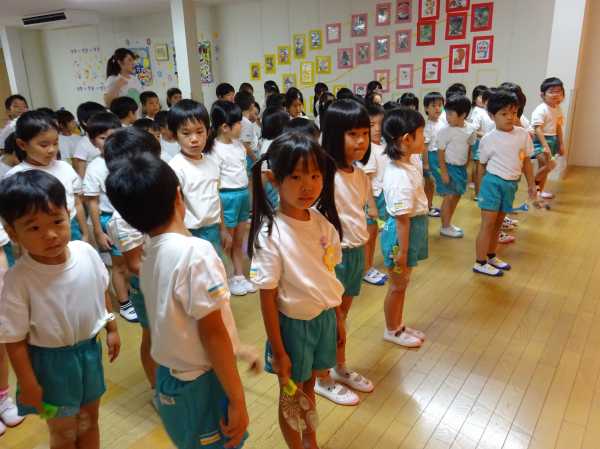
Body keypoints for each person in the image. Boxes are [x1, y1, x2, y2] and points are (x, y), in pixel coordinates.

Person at [106, 152, 249, 449]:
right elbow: (212, 333)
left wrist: (238, 348)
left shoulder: (148, 256)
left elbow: (181, 323)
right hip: (202, 385)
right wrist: (237, 398)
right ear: (178, 196)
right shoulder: (195, 253)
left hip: (170, 380)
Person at [0, 170, 120, 449]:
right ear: (12, 233)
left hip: (89, 353)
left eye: (57, 221)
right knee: (63, 431)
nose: (51, 234)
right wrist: (29, 384)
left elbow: (101, 289)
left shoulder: (85, 252)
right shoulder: (19, 280)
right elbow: (14, 340)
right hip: (49, 366)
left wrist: (112, 327)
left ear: (68, 214)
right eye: (34, 228)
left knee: (90, 420)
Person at [248, 132, 345, 449]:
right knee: (291, 395)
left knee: (309, 385)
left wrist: (338, 318)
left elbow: (329, 275)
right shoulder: (271, 234)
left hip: (322, 320)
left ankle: (309, 441)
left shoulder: (322, 223)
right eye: (296, 177)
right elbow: (267, 297)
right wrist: (278, 351)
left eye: (315, 176)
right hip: (292, 327)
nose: (308, 186)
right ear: (274, 180)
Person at [315, 99, 375, 406]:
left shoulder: (359, 173)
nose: (361, 141)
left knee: (343, 317)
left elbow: (359, 213)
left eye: (365, 133)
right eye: (352, 134)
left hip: (354, 253)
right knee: (331, 320)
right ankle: (322, 377)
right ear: (334, 134)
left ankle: (339, 366)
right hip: (331, 259)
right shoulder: (323, 174)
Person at [104, 127, 161, 402]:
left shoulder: (154, 197)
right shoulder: (122, 218)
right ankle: (156, 389)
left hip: (163, 278)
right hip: (148, 285)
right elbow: (136, 265)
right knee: (152, 336)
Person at [82, 112, 138, 323]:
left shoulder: (128, 159)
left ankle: (135, 294)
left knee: (135, 260)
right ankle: (124, 303)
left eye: (113, 136)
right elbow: (92, 202)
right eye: (102, 138)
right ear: (93, 141)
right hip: (110, 220)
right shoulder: (95, 167)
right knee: (119, 265)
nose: (109, 141)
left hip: (131, 217)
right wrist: (98, 231)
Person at [474, 89, 536, 276]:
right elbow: (481, 166)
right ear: (492, 116)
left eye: (514, 113)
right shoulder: (488, 139)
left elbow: (526, 162)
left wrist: (531, 185)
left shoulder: (523, 134)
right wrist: (479, 190)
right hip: (492, 184)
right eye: (504, 114)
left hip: (511, 184)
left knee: (499, 223)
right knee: (488, 224)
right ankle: (480, 262)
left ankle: (491, 256)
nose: (510, 117)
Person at [380, 107, 428, 348]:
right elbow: (401, 220)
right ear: (407, 139)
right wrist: (403, 251)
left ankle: (398, 324)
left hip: (410, 229)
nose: (425, 138)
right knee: (398, 285)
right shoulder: (398, 175)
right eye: (422, 133)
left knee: (403, 284)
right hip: (401, 235)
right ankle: (392, 330)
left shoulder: (410, 162)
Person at [5, 111, 89, 242]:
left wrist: (85, 233)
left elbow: (77, 203)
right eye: (44, 145)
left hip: (71, 226)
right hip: (39, 232)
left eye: (55, 143)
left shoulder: (65, 167)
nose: (52, 150)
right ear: (22, 144)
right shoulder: (15, 176)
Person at [167, 99, 230, 258]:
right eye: (186, 133)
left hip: (213, 229)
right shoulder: (175, 167)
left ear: (208, 132)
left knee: (214, 268)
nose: (194, 139)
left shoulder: (212, 163)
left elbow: (216, 197)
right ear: (175, 135)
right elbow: (173, 208)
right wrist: (185, 236)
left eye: (199, 132)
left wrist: (223, 229)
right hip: (189, 232)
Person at [209, 100, 255, 296]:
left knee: (238, 239)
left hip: (242, 195)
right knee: (226, 241)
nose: (241, 125)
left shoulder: (238, 145)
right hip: (226, 197)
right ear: (225, 127)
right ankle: (227, 276)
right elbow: (215, 183)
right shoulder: (214, 149)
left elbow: (244, 172)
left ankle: (239, 275)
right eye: (237, 123)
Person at [434, 95, 477, 238]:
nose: (447, 117)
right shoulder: (445, 131)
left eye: (450, 114)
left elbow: (470, 146)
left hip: (461, 168)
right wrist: (444, 172)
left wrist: (467, 166)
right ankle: (445, 226)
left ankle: (448, 223)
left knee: (457, 195)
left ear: (463, 115)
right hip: (449, 167)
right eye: (446, 113)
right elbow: (440, 152)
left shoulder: (470, 129)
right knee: (450, 196)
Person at [358, 103, 389, 286]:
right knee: (368, 237)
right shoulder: (368, 149)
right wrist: (372, 206)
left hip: (381, 198)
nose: (377, 128)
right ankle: (365, 269)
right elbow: (367, 181)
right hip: (372, 199)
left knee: (374, 234)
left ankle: (368, 266)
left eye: (380, 123)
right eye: (371, 125)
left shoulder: (382, 145)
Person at [530, 77, 565, 201]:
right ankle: (532, 187)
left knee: (544, 168)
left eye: (558, 91)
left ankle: (539, 191)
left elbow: (558, 126)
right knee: (549, 165)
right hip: (540, 140)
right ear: (543, 94)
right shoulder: (541, 109)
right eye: (551, 91)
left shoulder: (558, 108)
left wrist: (561, 144)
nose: (555, 94)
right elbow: (537, 129)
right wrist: (545, 146)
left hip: (553, 140)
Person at [467, 85, 495, 199]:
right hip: (480, 143)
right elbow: (473, 129)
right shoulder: (478, 112)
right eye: (480, 97)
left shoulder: (490, 112)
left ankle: (484, 191)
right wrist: (486, 135)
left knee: (486, 168)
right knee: (479, 167)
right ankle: (478, 193)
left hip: (491, 143)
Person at [423, 92, 445, 218]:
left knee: (432, 184)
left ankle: (429, 206)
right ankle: (428, 207)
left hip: (440, 156)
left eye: (440, 105)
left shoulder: (442, 122)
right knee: (430, 184)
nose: (437, 108)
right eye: (433, 106)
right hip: (431, 157)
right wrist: (426, 164)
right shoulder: (428, 127)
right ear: (426, 108)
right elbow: (425, 147)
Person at [72, 101, 106, 178]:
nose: (103, 121)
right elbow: (81, 174)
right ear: (84, 122)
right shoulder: (83, 144)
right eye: (98, 118)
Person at [235, 91, 259, 175]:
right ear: (252, 105)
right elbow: (245, 145)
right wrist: (256, 160)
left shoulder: (239, 120)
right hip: (249, 157)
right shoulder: (246, 123)